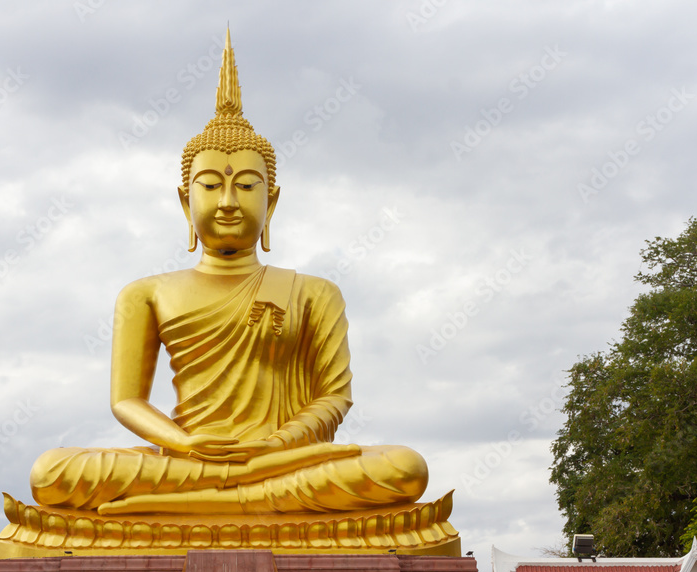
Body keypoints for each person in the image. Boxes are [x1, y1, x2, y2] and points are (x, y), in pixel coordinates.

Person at [29, 31, 428, 516]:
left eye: (246, 185)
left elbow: (334, 398)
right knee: (51, 472)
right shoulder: (146, 294)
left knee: (404, 468)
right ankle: (244, 498)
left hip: (285, 460)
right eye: (211, 185)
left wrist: (273, 446)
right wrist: (183, 444)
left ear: (272, 200)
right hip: (185, 460)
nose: (227, 201)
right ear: (184, 200)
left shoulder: (315, 293)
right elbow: (126, 402)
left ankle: (213, 500)